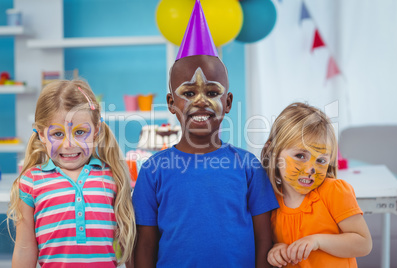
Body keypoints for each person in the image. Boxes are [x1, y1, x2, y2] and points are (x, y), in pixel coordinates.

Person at [131, 1, 279, 267]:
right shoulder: (153, 171)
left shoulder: (248, 166)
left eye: (212, 93)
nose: (200, 101)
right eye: (188, 93)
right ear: (171, 103)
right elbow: (145, 243)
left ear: (229, 102)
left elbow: (264, 239)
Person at [7, 80, 135, 267]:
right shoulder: (30, 182)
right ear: (41, 135)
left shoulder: (112, 177)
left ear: (96, 131)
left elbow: (128, 245)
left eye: (80, 132)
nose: (69, 144)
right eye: (58, 134)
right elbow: (24, 249)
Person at [261, 102, 372, 267]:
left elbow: (363, 244)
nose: (311, 169)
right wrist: (276, 249)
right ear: (273, 152)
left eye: (321, 160)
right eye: (300, 155)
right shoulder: (270, 201)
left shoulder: (334, 192)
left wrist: (317, 241)